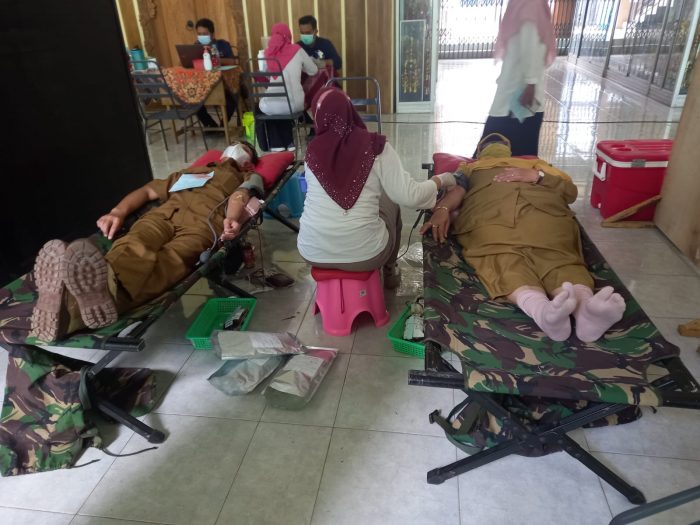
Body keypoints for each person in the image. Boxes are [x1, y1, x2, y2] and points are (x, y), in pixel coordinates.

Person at [31, 142, 263, 342]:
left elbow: (241, 195)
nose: (234, 148)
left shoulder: (247, 176)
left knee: (169, 262)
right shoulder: (193, 171)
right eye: (233, 145)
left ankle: (71, 308)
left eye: (241, 147)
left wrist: (232, 218)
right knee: (133, 244)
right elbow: (148, 191)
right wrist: (117, 212)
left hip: (202, 226)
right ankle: (87, 298)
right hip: (162, 216)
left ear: (249, 163)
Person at [422, 134, 626, 342]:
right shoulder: (469, 168)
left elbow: (569, 192)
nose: (496, 148)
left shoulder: (537, 166)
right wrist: (443, 209)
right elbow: (456, 189)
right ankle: (548, 312)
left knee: (545, 256)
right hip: (493, 216)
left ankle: (584, 311)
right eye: (491, 146)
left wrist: (538, 176)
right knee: (513, 258)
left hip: (540, 214)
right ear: (480, 153)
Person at [298, 87, 456, 289]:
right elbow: (410, 196)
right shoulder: (375, 146)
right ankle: (390, 270)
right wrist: (441, 179)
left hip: (312, 250)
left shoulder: (312, 151)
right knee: (392, 201)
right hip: (366, 254)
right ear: (349, 111)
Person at [476, 0, 556, 157]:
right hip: (521, 98)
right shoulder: (531, 4)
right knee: (516, 155)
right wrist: (531, 82)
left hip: (515, 96)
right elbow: (529, 46)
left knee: (494, 151)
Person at [256, 22, 318, 151]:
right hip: (293, 104)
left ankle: (277, 144)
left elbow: (265, 74)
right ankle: (289, 143)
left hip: (269, 106)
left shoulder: (268, 53)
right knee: (285, 105)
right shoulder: (297, 49)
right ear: (288, 35)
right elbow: (313, 71)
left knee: (271, 107)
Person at [194, 18, 237, 128]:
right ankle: (211, 126)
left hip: (223, 85)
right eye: (199, 34)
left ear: (212, 34)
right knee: (192, 99)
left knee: (233, 99)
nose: (201, 36)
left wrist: (216, 60)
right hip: (202, 86)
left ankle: (223, 126)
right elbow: (183, 62)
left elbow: (232, 61)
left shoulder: (222, 45)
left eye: (205, 34)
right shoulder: (195, 47)